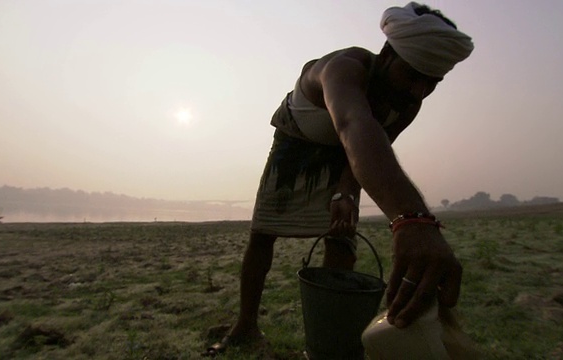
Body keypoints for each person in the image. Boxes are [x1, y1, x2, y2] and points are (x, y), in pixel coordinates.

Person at [203, 2, 474, 356]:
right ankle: (246, 325)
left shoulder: (408, 101)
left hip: (351, 153)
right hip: (297, 142)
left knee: (342, 237)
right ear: (387, 54)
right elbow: (353, 125)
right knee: (263, 234)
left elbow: (376, 145)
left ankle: (328, 339)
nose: (418, 92)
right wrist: (413, 220)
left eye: (432, 83)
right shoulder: (343, 69)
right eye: (412, 76)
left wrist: (346, 191)